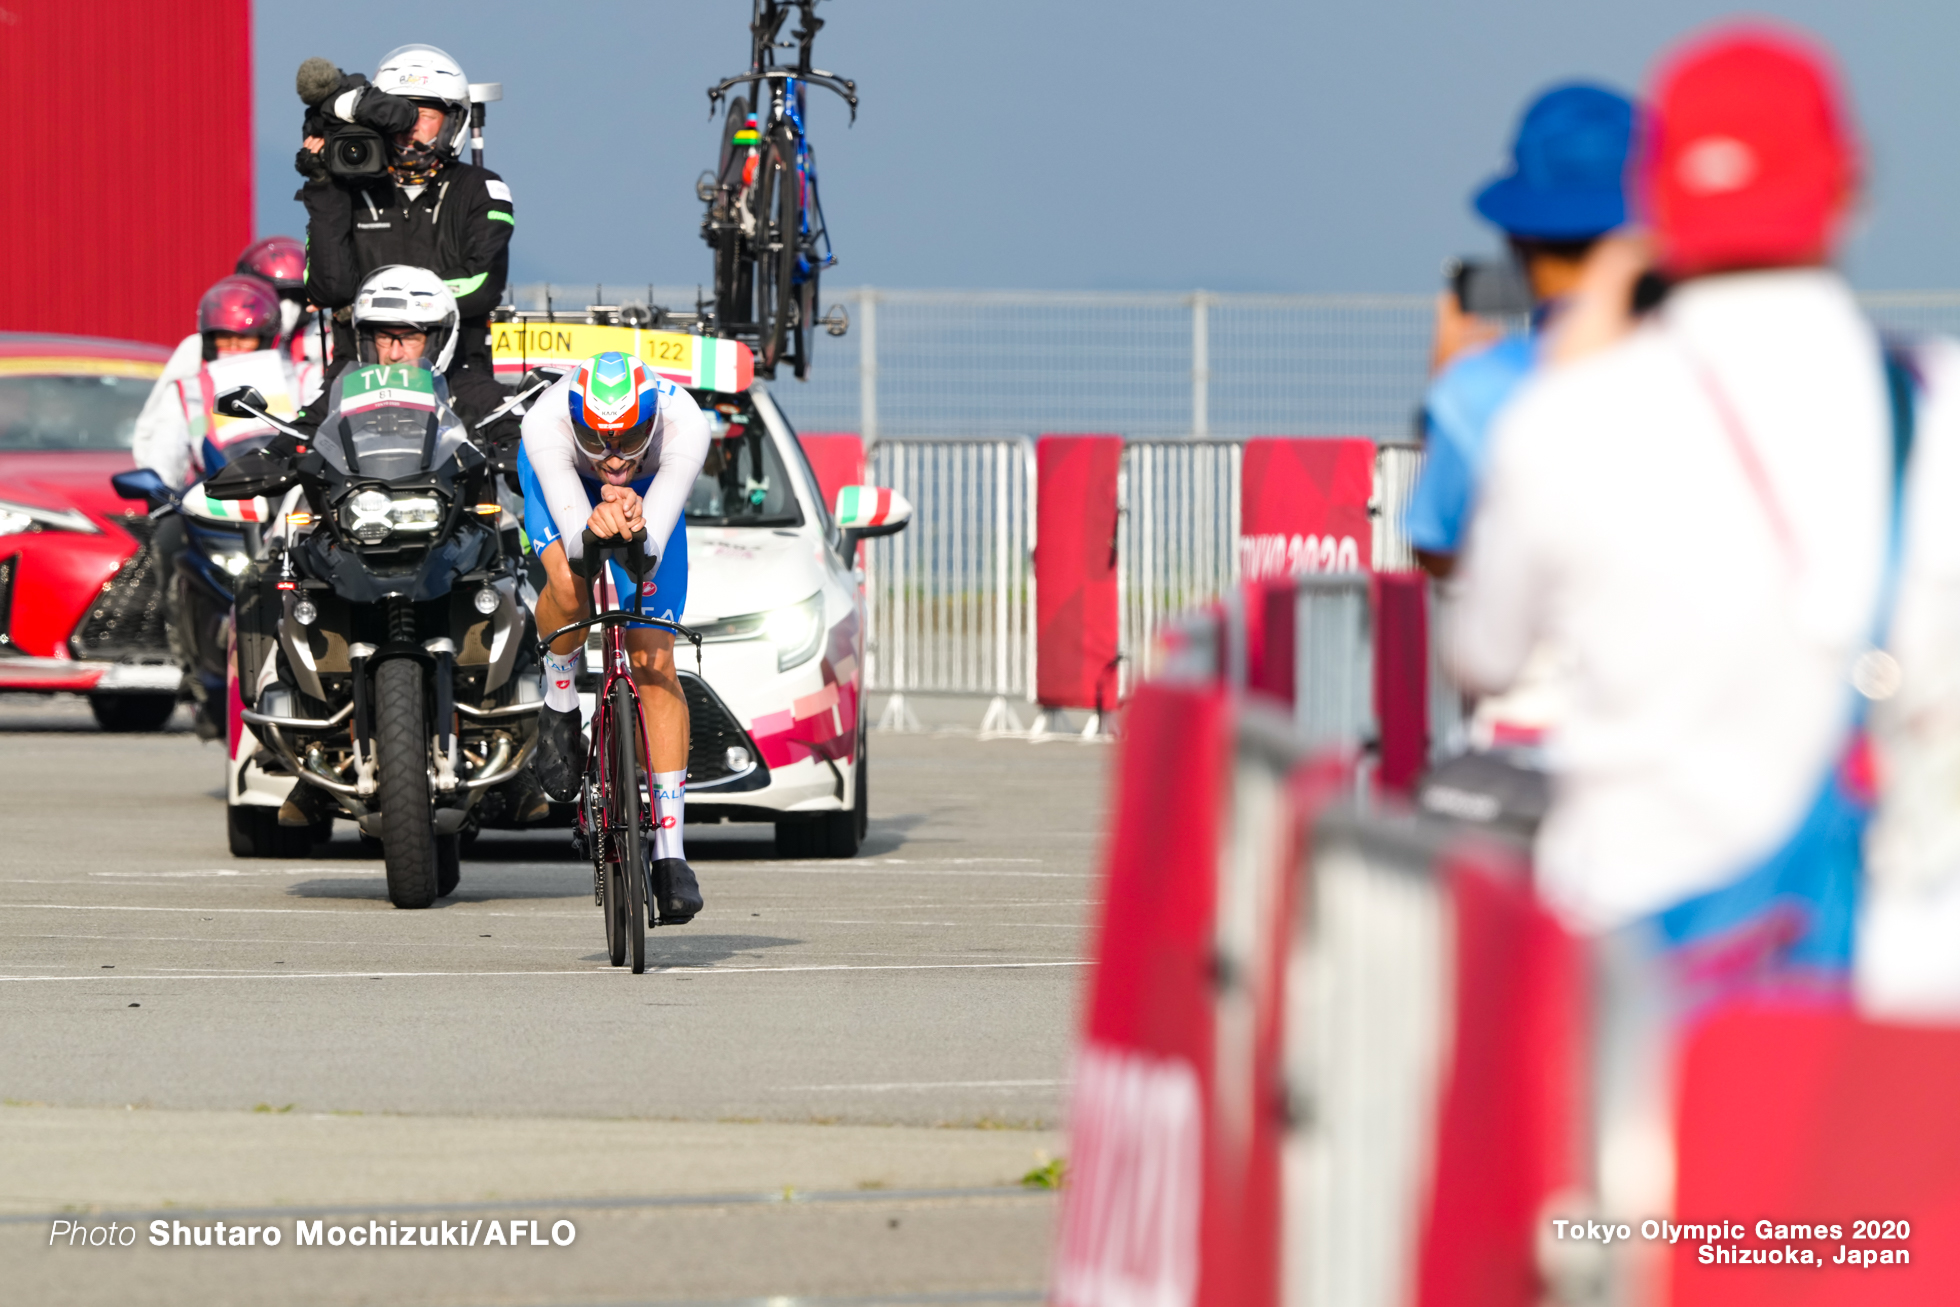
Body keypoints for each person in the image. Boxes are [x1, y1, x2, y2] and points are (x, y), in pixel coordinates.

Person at [1445, 29, 1921, 996]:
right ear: (1847, 191)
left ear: (1654, 204)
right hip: (1893, 975)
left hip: (1641, 961)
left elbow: (1480, 650)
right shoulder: (1935, 409)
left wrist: (1572, 359)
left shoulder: (1568, 418)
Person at [1408, 83, 1637, 581]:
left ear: (1516, 235)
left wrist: (1444, 403)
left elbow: (1441, 551)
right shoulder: (1720, 368)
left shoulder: (1480, 392)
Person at [520, 351, 710, 924]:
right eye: (596, 438)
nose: (611, 456)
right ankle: (559, 698)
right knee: (571, 589)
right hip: (563, 486)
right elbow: (581, 549)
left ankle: (672, 854)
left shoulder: (686, 425)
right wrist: (597, 522)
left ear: (651, 422)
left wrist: (634, 519)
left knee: (653, 661)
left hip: (654, 493)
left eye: (629, 439)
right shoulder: (544, 422)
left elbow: (646, 553)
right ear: (575, 420)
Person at [294, 44, 513, 444]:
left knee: (527, 442)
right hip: (357, 372)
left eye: (425, 116)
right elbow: (327, 289)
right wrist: (324, 186)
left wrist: (380, 304)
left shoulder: (483, 189)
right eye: (399, 116)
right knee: (288, 462)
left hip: (459, 373)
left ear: (452, 123)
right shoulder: (346, 190)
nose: (410, 129)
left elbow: (481, 285)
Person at [131, 276, 315, 487]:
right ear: (210, 340)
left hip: (294, 489)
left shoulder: (303, 377)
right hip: (217, 494)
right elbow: (166, 449)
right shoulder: (189, 389)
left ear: (265, 337)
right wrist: (158, 483)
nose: (234, 347)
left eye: (245, 338)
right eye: (224, 337)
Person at [236, 235, 330, 367]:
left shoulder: (322, 344)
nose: (287, 306)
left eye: (296, 296)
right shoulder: (219, 342)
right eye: (277, 295)